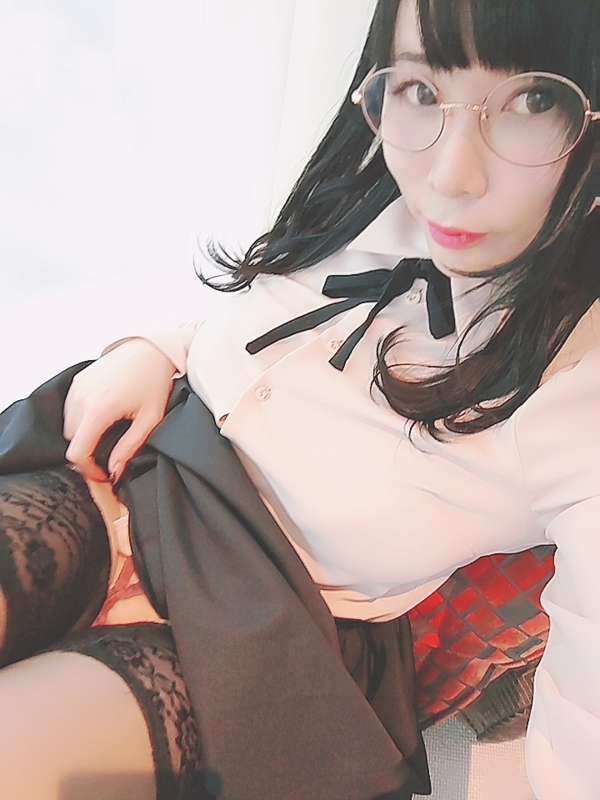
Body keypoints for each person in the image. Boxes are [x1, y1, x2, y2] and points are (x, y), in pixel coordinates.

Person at [0, 0, 598, 798]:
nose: (450, 174)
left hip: (275, 623)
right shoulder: (371, 189)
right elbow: (265, 312)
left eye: (534, 100)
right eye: (422, 89)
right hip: (146, 466)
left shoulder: (581, 391)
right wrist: (154, 348)